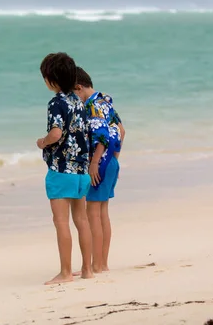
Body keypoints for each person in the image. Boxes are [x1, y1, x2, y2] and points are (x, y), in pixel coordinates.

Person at [36, 52, 94, 285]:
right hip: (81, 171)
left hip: (61, 170)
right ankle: (87, 269)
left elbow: (57, 133)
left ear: (51, 79)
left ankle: (66, 272)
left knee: (61, 221)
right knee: (82, 220)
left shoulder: (57, 102)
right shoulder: (78, 102)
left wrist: (42, 142)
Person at [73, 66, 124, 273]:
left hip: (98, 163)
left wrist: (95, 163)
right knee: (102, 212)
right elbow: (121, 130)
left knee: (92, 213)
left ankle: (97, 264)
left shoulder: (92, 105)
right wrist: (114, 159)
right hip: (109, 161)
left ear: (78, 87)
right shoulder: (105, 100)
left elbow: (101, 135)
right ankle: (102, 263)